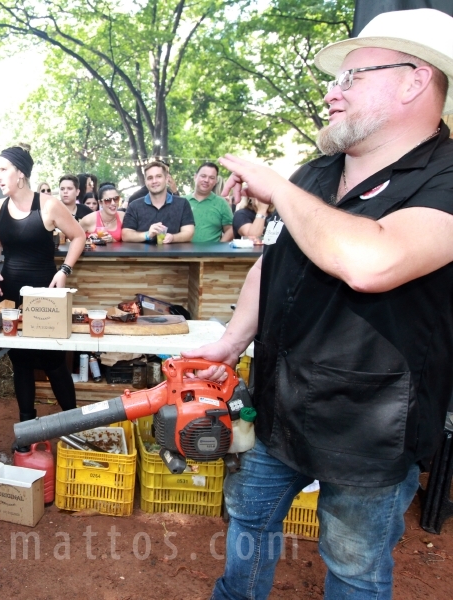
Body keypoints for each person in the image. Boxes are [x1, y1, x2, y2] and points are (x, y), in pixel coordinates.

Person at [184, 9, 453, 598]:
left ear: (413, 80)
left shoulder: (446, 179)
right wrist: (232, 343)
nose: (333, 92)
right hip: (277, 406)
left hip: (369, 433)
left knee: (353, 567)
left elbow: (373, 263)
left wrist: (276, 186)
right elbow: (270, 263)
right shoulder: (316, 172)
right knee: (248, 521)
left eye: (351, 77)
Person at [0, 144, 85, 440]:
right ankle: (27, 430)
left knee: (54, 361)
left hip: (45, 294)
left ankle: (73, 425)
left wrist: (64, 270)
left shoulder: (49, 205)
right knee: (21, 362)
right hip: (10, 295)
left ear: (21, 174)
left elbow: (79, 236)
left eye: (3, 170)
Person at [121, 161, 194, 244]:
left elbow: (189, 233)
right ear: (145, 182)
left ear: (166, 179)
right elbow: (125, 235)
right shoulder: (134, 206)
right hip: (143, 256)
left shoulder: (182, 204)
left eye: (158, 176)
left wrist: (173, 237)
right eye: (150, 178)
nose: (154, 181)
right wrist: (147, 234)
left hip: (174, 256)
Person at [188, 162, 234, 243]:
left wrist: (219, 247)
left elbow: (231, 229)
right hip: (183, 253)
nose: (206, 180)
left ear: (216, 181)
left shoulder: (222, 203)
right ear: (195, 177)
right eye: (203, 176)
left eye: (212, 178)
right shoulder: (182, 201)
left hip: (212, 255)